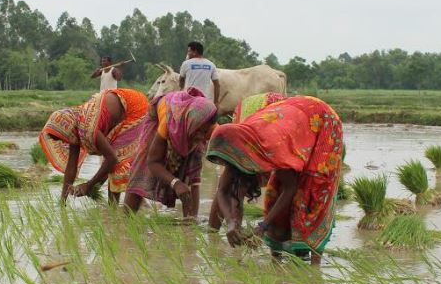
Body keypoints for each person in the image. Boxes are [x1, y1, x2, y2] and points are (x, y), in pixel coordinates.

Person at [207, 96, 345, 263]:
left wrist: (263, 226)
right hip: (290, 117)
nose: (227, 165)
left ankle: (314, 264)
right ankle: (278, 258)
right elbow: (222, 190)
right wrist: (231, 223)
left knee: (314, 187)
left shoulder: (273, 145)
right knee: (274, 192)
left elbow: (290, 188)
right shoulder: (237, 144)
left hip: (321, 118)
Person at [39, 88, 152, 203]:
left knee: (118, 159)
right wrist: (62, 202)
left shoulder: (88, 129)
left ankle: (115, 207)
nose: (65, 142)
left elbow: (112, 159)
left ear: (66, 129)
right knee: (112, 158)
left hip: (136, 107)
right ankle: (119, 206)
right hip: (123, 104)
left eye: (63, 138)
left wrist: (89, 185)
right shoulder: (74, 124)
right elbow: (71, 166)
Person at [123, 88, 218, 219]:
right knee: (142, 165)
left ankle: (189, 220)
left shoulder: (209, 126)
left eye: (205, 132)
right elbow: (153, 162)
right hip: (160, 116)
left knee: (192, 166)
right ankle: (126, 218)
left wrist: (191, 221)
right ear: (190, 123)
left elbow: (195, 182)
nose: (201, 136)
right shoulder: (167, 123)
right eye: (198, 131)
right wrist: (176, 183)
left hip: (189, 122)